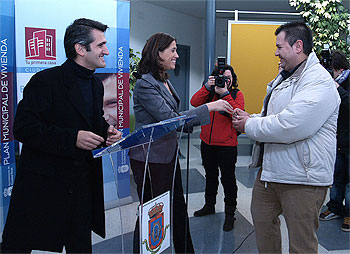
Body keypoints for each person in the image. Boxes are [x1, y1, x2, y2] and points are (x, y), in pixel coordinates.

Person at [1, 18, 122, 253]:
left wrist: (106, 131)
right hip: (46, 185)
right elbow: (23, 128)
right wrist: (72, 138)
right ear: (80, 48)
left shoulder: (96, 85)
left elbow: (93, 121)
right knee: (19, 244)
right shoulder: (46, 81)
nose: (107, 50)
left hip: (82, 184)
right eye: (101, 45)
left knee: (80, 244)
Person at [232, 21, 340, 253]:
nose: (276, 52)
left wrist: (249, 125)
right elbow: (275, 114)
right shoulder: (286, 76)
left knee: (301, 244)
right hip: (271, 172)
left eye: (280, 47)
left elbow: (292, 125)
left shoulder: (319, 81)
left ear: (298, 46)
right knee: (262, 223)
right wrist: (250, 117)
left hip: (303, 179)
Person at [129, 32, 233, 253]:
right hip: (150, 158)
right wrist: (210, 107)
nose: (177, 55)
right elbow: (170, 119)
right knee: (152, 210)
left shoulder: (163, 81)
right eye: (173, 50)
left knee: (177, 206)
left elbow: (176, 118)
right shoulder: (145, 85)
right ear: (158, 53)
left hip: (167, 154)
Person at [190, 64, 244, 231]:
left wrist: (225, 94)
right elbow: (194, 102)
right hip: (207, 144)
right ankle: (209, 205)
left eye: (228, 78)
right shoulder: (209, 95)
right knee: (210, 176)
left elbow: (238, 113)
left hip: (227, 146)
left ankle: (229, 214)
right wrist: (207, 86)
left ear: (233, 80)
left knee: (228, 179)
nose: (225, 81)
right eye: (222, 78)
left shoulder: (236, 94)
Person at [319, 50, 349, 232]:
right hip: (337, 141)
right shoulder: (330, 84)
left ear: (338, 69)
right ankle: (335, 207)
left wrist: (339, 90)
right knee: (337, 178)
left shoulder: (342, 84)